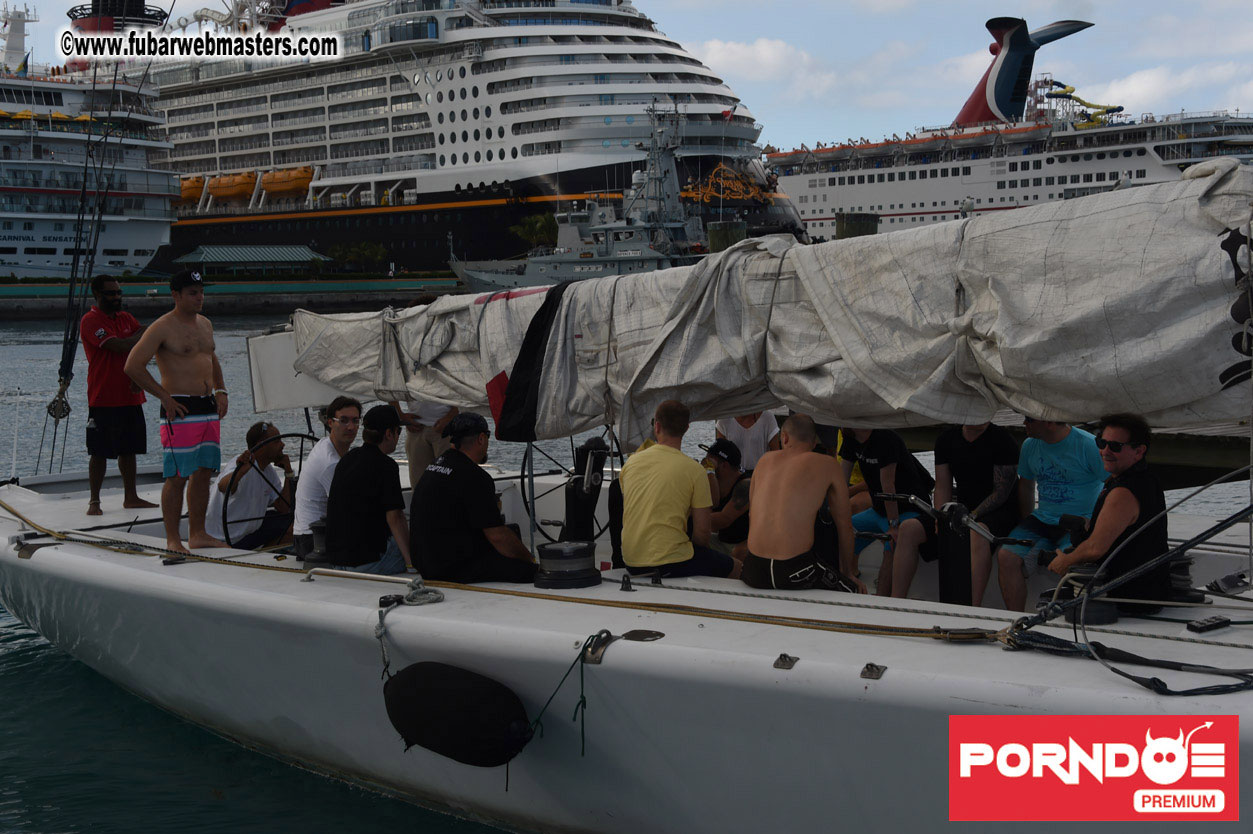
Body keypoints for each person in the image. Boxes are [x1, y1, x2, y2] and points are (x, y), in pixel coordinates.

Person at [124, 270, 226, 554]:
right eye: (192, 293)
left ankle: (198, 533)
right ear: (176, 295)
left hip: (207, 405)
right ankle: (173, 539)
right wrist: (164, 397)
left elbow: (210, 356)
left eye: (201, 292)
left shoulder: (205, 324)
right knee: (178, 475)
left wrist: (221, 390)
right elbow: (132, 365)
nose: (199, 297)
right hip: (179, 408)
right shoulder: (162, 327)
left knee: (204, 472)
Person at [1046, 413, 1171, 606]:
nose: (1105, 451)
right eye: (1101, 443)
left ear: (1139, 451)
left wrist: (1065, 561)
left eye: (1115, 446)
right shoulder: (1147, 478)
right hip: (1151, 590)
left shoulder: (1123, 492)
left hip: (1126, 598)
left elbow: (1095, 548)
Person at [994, 416, 1106, 611]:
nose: (1024, 424)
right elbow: (1026, 486)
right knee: (1006, 556)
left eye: (1029, 419)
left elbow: (1112, 484)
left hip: (1079, 521)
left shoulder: (1088, 445)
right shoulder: (1030, 445)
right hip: (1041, 519)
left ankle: (1072, 616)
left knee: (1073, 559)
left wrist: (1096, 522)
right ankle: (1016, 619)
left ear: (1050, 422)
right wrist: (1026, 521)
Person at [409, 413, 536, 583]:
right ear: (481, 439)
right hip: (450, 568)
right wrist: (529, 559)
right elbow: (497, 536)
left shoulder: (434, 466)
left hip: (424, 563)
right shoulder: (475, 477)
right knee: (529, 571)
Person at [744, 415, 865, 592]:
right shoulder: (828, 464)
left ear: (784, 437)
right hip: (795, 572)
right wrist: (848, 573)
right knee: (853, 590)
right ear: (814, 443)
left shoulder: (763, 460)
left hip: (754, 570)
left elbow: (751, 514)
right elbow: (845, 525)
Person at [620, 400, 738, 578]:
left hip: (631, 561)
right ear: (686, 428)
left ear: (656, 426)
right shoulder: (695, 471)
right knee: (737, 567)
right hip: (671, 562)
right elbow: (702, 533)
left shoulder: (630, 463)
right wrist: (701, 555)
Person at [80, 276, 157, 516]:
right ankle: (94, 501)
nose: (116, 297)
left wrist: (141, 337)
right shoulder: (90, 320)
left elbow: (145, 336)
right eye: (110, 293)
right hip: (103, 396)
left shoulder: (125, 318)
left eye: (118, 293)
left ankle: (131, 497)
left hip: (131, 395)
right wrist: (141, 337)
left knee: (129, 449)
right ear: (97, 295)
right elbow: (119, 346)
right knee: (99, 452)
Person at [839, 428, 935, 598]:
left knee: (892, 543)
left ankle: (885, 600)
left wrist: (893, 525)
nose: (839, 426)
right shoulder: (850, 438)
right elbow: (841, 481)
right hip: (878, 510)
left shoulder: (887, 439)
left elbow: (888, 486)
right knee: (839, 532)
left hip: (908, 508)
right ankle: (843, 586)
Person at [933, 422, 1021, 606]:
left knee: (976, 531)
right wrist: (941, 517)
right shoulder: (946, 439)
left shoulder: (1003, 440)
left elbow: (1001, 493)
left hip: (1003, 510)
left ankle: (972, 606)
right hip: (965, 509)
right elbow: (942, 486)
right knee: (941, 531)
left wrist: (971, 516)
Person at [324, 405, 415, 574]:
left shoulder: (347, 459)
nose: (398, 436)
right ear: (389, 434)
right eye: (398, 431)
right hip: (369, 562)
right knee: (423, 545)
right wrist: (411, 563)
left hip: (337, 561)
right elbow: (395, 518)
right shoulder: (386, 466)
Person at [206, 421, 294, 549]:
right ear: (261, 446)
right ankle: (260, 553)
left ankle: (262, 552)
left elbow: (283, 508)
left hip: (250, 531)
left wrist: (288, 472)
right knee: (292, 528)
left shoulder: (268, 471)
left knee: (294, 522)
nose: (282, 445)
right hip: (229, 539)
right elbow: (223, 487)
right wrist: (240, 471)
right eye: (276, 441)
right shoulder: (240, 464)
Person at [292, 396, 361, 558]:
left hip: (306, 535)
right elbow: (349, 508)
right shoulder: (330, 463)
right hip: (313, 541)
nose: (351, 427)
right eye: (343, 420)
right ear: (330, 423)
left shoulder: (325, 444)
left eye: (355, 421)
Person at [700, 439, 750, 560]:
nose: (705, 464)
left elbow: (723, 520)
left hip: (743, 547)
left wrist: (687, 517)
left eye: (709, 463)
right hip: (723, 542)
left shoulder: (745, 485)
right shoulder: (715, 483)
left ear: (724, 466)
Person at [715, 412, 780, 471]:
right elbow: (720, 455)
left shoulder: (768, 417)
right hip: (733, 475)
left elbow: (776, 454)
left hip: (761, 474)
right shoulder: (724, 419)